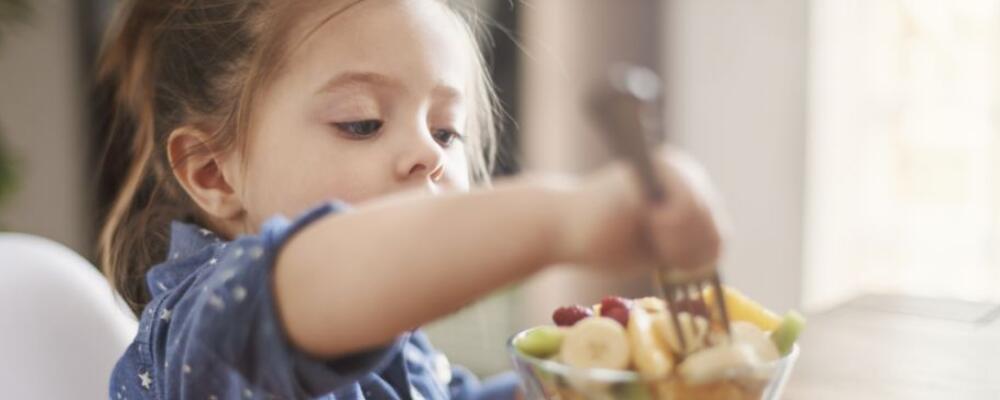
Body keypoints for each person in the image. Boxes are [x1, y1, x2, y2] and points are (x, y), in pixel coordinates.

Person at [97, 1, 725, 398]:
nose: (429, 154)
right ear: (213, 173)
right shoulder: (206, 325)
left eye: (446, 130)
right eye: (362, 123)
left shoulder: (394, 342)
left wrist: (580, 384)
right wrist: (564, 217)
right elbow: (324, 272)